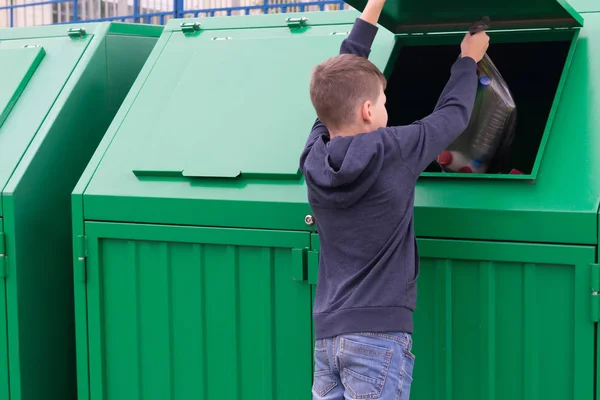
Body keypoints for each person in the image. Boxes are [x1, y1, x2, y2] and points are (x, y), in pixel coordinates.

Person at [299, 0, 490, 399]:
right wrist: (468, 60)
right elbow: (454, 114)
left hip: (327, 340)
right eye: (384, 101)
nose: (388, 107)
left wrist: (372, 10)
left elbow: (336, 88)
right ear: (369, 110)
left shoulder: (313, 155)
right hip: (378, 340)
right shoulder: (395, 149)